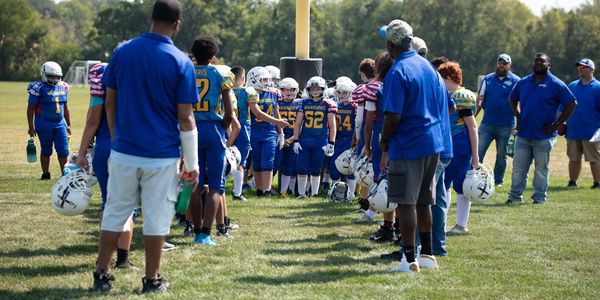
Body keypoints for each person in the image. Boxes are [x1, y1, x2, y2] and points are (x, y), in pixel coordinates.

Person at [92, 0, 199, 293]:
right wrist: (192, 163)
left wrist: (117, 138)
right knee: (156, 218)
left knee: (115, 212)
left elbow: (109, 101)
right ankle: (152, 279)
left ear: (151, 18)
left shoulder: (122, 51)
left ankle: (101, 273)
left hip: (124, 149)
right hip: (161, 154)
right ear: (177, 25)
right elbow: (186, 117)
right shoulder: (180, 61)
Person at [379, 19, 446, 273]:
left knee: (405, 203)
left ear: (390, 43)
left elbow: (392, 116)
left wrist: (384, 141)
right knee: (423, 202)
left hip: (408, 143)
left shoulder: (398, 71)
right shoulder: (427, 66)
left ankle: (409, 260)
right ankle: (427, 254)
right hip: (432, 142)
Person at [75, 62, 136, 269]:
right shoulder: (137, 84)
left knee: (108, 203)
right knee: (128, 206)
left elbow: (92, 120)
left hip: (104, 148)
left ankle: (105, 257)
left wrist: (82, 152)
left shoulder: (102, 82)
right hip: (128, 148)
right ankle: (122, 259)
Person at [506, 53, 577, 205]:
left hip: (544, 137)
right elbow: (512, 98)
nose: (539, 63)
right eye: (536, 61)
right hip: (524, 135)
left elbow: (572, 103)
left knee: (541, 170)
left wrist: (557, 123)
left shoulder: (556, 83)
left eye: (542, 61)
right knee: (518, 170)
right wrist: (518, 116)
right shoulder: (524, 82)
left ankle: (538, 199)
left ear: (548, 65)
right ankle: (515, 197)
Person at [188, 36, 237, 246]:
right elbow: (228, 111)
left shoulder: (186, 71)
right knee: (216, 185)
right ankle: (205, 233)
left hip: (190, 128)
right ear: (213, 55)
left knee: (194, 184)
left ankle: (196, 228)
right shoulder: (221, 72)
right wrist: (223, 129)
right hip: (213, 128)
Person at [438, 61, 480, 235]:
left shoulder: (462, 95)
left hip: (460, 142)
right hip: (449, 142)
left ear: (448, 78)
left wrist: (476, 157)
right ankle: (441, 222)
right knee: (444, 184)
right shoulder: (448, 94)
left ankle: (461, 225)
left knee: (461, 186)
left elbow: (472, 127)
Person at [287, 76, 337, 198]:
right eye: (312, 88)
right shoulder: (303, 102)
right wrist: (296, 140)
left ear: (323, 89)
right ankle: (302, 193)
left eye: (318, 88)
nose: (315, 91)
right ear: (308, 90)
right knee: (301, 167)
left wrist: (331, 143)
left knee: (316, 167)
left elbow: (332, 125)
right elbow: (298, 123)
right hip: (304, 140)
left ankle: (314, 193)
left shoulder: (328, 103)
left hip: (321, 141)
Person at [475, 54, 520, 186]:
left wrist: (518, 124)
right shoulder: (488, 79)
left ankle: (498, 180)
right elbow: (480, 100)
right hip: (487, 124)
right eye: (499, 63)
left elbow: (519, 104)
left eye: (504, 63)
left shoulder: (516, 81)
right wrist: (473, 118)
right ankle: (476, 177)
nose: (501, 65)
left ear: (509, 65)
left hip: (506, 125)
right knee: (478, 151)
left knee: (501, 155)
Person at [247, 66, 289, 197]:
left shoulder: (273, 93)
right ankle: (260, 190)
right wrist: (279, 123)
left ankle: (267, 190)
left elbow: (276, 112)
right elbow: (258, 114)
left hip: (270, 131)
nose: (267, 82)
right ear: (254, 80)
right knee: (257, 160)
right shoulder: (249, 93)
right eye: (264, 79)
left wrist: (281, 132)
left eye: (267, 79)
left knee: (268, 160)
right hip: (254, 130)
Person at [26, 61, 72, 180]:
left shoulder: (63, 86)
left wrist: (69, 124)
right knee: (46, 149)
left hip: (60, 123)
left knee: (63, 150)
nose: (54, 78)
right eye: (51, 76)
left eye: (56, 76)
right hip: (44, 122)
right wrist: (31, 127)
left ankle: (65, 174)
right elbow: (30, 109)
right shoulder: (38, 87)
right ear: (44, 74)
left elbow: (65, 107)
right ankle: (45, 174)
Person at [565, 58, 600, 189]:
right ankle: (572, 181)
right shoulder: (572, 86)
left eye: (582, 67)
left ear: (591, 69)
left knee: (594, 158)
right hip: (573, 129)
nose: (579, 69)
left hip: (593, 131)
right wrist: (560, 122)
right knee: (573, 158)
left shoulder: (598, 87)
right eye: (579, 67)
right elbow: (563, 107)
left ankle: (597, 183)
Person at [231, 66, 257, 201]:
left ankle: (219, 188)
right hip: (242, 128)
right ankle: (237, 193)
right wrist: (277, 121)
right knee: (241, 161)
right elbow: (257, 113)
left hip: (225, 127)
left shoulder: (225, 91)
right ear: (243, 79)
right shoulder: (248, 91)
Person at [277, 77, 301, 195]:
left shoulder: (300, 103)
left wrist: (292, 139)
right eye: (285, 90)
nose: (288, 92)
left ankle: (284, 191)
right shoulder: (277, 102)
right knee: (274, 163)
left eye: (291, 90)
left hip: (293, 136)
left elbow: (301, 125)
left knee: (290, 165)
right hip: (278, 136)